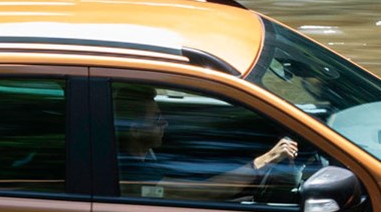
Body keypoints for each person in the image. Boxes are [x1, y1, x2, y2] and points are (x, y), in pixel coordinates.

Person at [114, 86, 299, 201]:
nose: (165, 123)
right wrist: (264, 161)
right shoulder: (132, 174)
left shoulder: (141, 155)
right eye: (156, 119)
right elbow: (203, 193)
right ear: (135, 131)